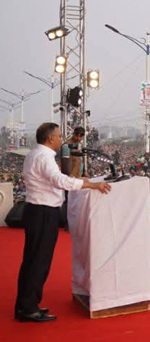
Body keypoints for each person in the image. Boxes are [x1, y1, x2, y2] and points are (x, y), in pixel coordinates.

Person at [15, 122, 111, 323]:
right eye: (59, 136)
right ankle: (28, 308)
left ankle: (25, 304)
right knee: (39, 261)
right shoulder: (44, 157)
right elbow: (59, 181)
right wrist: (91, 185)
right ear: (50, 138)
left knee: (32, 260)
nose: (61, 139)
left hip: (36, 210)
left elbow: (54, 179)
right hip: (43, 212)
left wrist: (80, 179)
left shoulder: (34, 154)